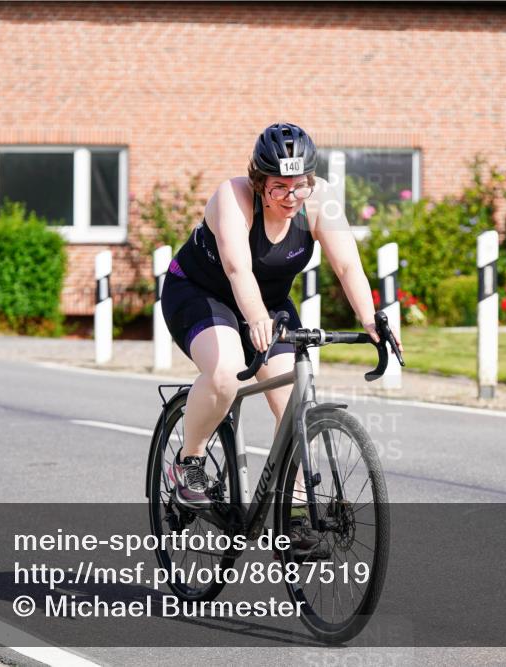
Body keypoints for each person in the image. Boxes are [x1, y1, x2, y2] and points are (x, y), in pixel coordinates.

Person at [160, 122, 401, 549]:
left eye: (300, 186)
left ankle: (291, 514)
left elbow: (347, 266)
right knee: (227, 372)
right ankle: (190, 462)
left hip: (268, 304)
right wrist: (253, 318)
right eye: (279, 188)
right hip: (200, 294)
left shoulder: (318, 200)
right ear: (259, 181)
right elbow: (237, 269)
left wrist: (371, 321)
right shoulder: (233, 197)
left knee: (294, 404)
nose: (291, 197)